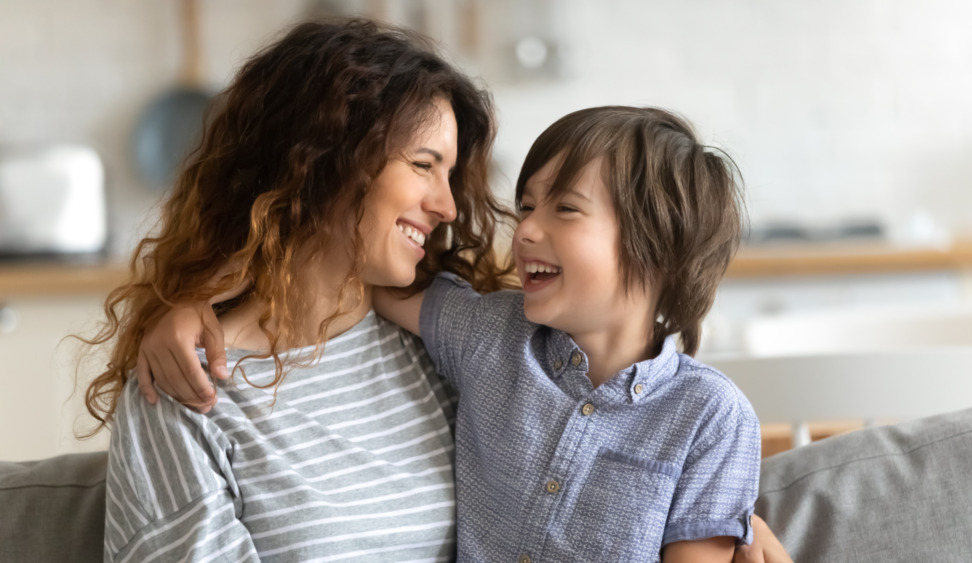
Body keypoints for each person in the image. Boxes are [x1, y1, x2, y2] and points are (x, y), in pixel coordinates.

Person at [143, 107, 783, 562]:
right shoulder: (488, 334)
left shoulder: (711, 417)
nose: (526, 230)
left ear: (657, 248)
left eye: (564, 208)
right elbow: (357, 268)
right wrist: (201, 297)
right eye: (527, 205)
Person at [83, 18, 513, 561]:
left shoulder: (437, 348)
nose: (448, 207)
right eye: (424, 165)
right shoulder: (184, 390)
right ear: (325, 161)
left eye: (449, 176)